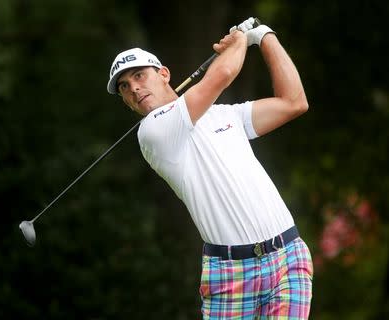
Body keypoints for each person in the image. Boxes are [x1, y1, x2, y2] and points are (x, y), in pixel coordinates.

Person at [107, 17, 313, 319]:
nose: (134, 88)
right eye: (125, 87)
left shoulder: (225, 115)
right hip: (231, 272)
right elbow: (224, 72)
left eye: (139, 76)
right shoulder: (152, 132)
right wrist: (241, 39)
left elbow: (294, 102)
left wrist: (265, 36)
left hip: (288, 255)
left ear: (164, 74)